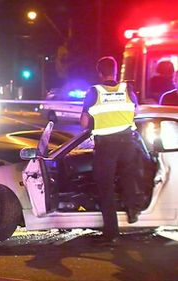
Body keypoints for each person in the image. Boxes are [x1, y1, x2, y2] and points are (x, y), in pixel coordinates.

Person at [80, 56, 141, 245]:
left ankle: (112, 234)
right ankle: (133, 209)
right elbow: (136, 112)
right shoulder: (127, 89)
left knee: (106, 189)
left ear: (100, 73)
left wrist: (95, 120)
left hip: (106, 146)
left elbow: (83, 122)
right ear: (115, 71)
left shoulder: (94, 92)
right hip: (128, 143)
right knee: (128, 177)